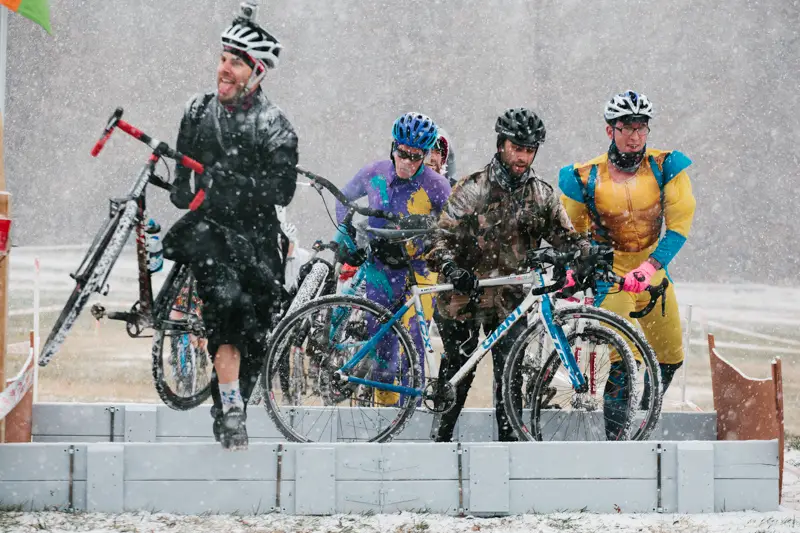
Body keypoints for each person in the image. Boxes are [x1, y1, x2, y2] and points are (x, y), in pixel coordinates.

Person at [162, 13, 298, 450]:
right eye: (222, 58)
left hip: (257, 236)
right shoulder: (198, 112)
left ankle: (229, 406)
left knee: (258, 330)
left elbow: (282, 189)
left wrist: (234, 183)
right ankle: (232, 408)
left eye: (236, 63)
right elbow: (181, 190)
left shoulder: (274, 124)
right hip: (210, 232)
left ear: (257, 73)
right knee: (228, 306)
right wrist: (187, 188)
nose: (224, 69)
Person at [426, 108, 588, 442]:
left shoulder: (541, 195)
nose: (523, 156)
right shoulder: (473, 189)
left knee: (511, 379)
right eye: (517, 147)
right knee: (457, 375)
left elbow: (568, 239)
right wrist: (452, 268)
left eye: (529, 150)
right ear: (501, 145)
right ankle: (437, 445)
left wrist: (588, 253)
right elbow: (436, 239)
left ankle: (508, 452)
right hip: (463, 297)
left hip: (511, 301)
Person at [558, 90, 695, 411]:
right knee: (625, 361)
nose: (635, 137)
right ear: (610, 130)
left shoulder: (666, 166)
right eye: (627, 128)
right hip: (611, 279)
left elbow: (678, 228)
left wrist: (649, 267)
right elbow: (569, 233)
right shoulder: (585, 176)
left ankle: (643, 420)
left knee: (670, 358)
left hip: (654, 276)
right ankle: (615, 441)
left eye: (641, 128)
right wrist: (574, 272)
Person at [334, 112, 451, 405]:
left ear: (425, 155)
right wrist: (347, 233)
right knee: (382, 352)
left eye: (416, 157)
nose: (408, 163)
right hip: (380, 268)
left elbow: (456, 224)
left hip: (420, 270)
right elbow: (343, 198)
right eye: (403, 154)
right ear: (393, 147)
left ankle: (412, 413)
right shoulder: (374, 172)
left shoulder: (436, 184)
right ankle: (386, 418)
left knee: (414, 343)